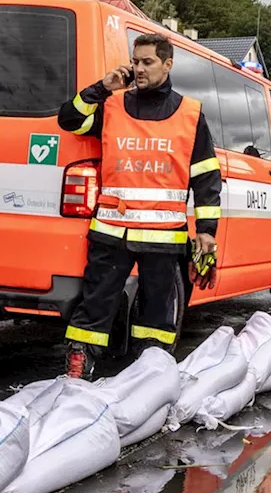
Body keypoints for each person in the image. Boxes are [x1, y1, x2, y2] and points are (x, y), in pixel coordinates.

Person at [58, 32, 222, 380]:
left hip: (164, 236)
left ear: (167, 64)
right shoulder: (112, 105)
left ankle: (149, 371)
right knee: (96, 302)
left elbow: (206, 177)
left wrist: (207, 232)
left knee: (158, 309)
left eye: (147, 62)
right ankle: (80, 363)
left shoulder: (191, 114)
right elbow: (70, 119)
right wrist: (102, 87)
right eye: (136, 62)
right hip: (111, 230)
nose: (139, 69)